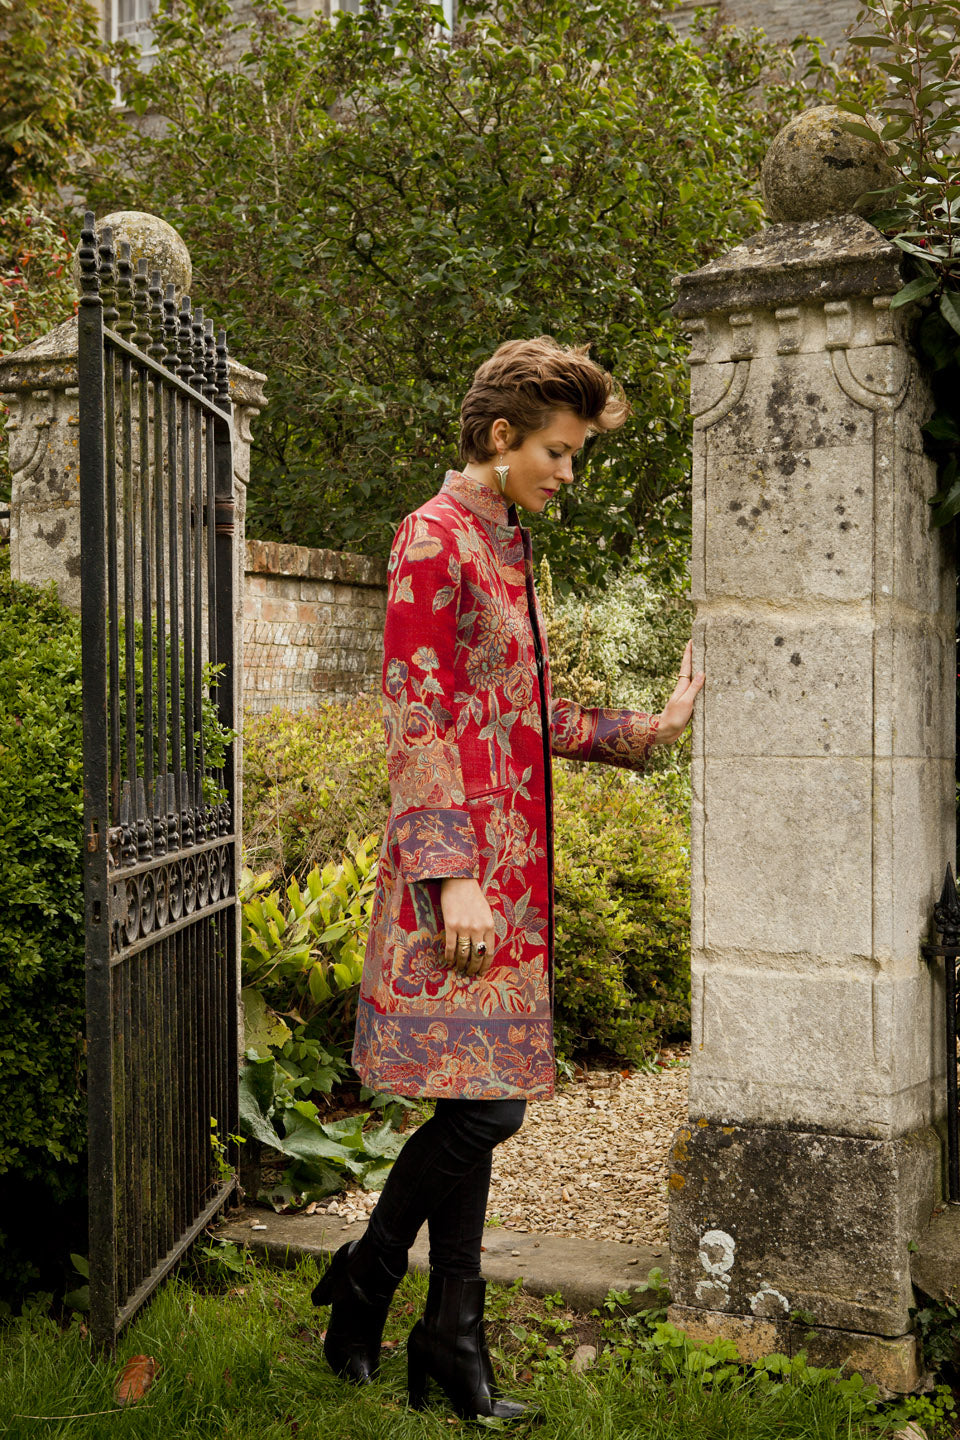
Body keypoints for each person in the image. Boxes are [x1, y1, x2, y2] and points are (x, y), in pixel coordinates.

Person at [312, 337, 704, 1420]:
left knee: (477, 1102)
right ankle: (369, 1276)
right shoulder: (431, 541)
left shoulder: (505, 544)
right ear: (501, 438)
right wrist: (451, 880)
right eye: (561, 453)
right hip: (462, 882)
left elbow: (517, 716)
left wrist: (645, 727)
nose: (568, 472)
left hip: (513, 877)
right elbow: (419, 715)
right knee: (486, 1114)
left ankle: (452, 1340)